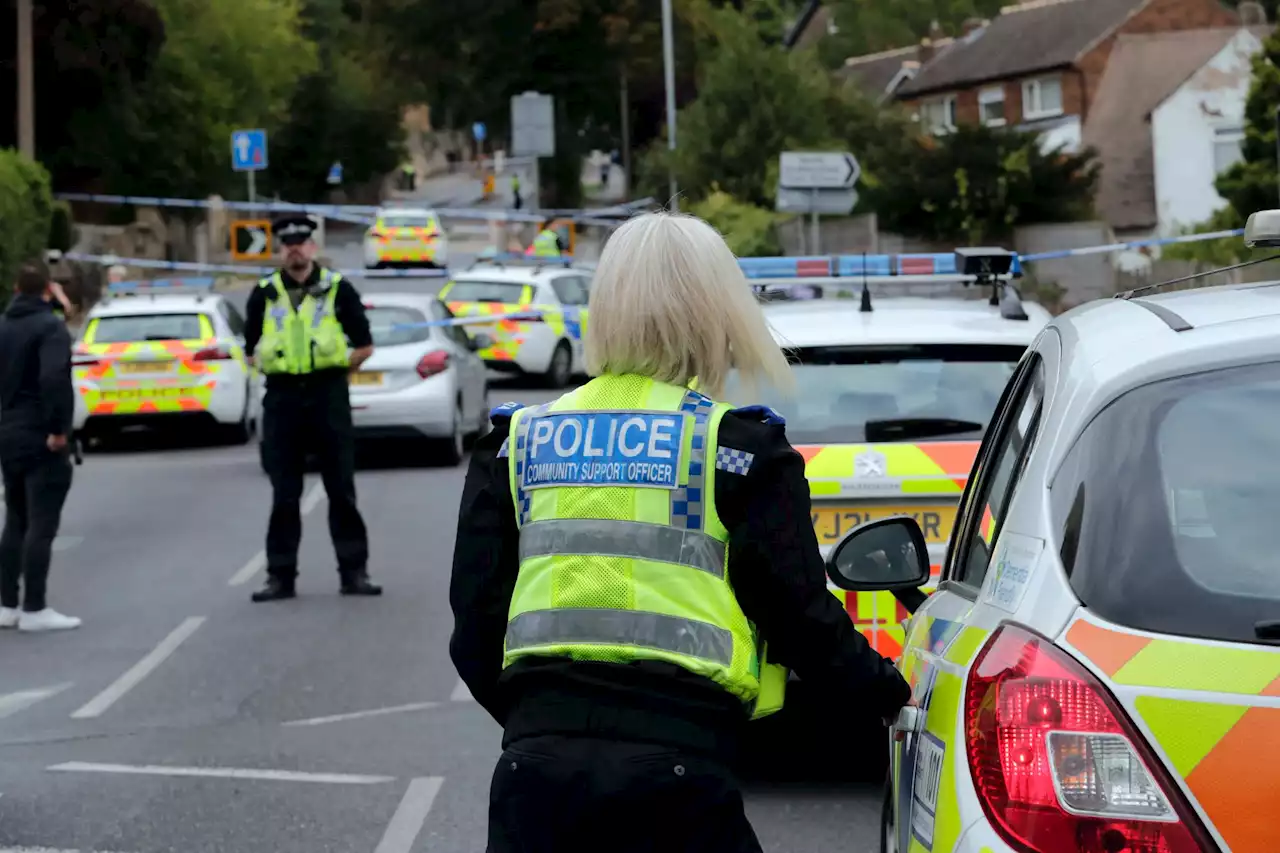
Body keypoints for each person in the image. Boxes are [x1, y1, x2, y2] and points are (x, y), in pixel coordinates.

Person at [450, 211, 913, 853]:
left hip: (535, 773)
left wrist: (543, 727)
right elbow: (798, 614)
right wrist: (888, 692)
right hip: (677, 771)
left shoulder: (516, 442)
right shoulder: (736, 448)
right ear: (716, 314)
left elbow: (475, 624)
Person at [242, 213, 382, 602]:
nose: (295, 250)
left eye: (301, 242)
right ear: (280, 250)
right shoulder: (265, 293)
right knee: (284, 493)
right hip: (283, 399)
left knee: (341, 489)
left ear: (313, 247)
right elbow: (249, 348)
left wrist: (337, 370)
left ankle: (354, 572)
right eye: (288, 244)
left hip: (328, 395)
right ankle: (280, 577)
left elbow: (365, 345)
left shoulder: (338, 289)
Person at [0, 260, 79, 632]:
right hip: (40, 434)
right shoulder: (51, 328)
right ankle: (35, 608)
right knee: (42, 523)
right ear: (48, 290)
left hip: (8, 432)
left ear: (16, 289)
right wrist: (58, 429)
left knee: (15, 520)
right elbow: (53, 378)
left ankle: (6, 605)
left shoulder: (4, 325)